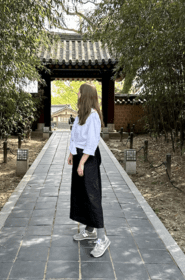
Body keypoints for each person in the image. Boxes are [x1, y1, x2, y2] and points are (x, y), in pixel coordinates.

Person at [67, 83, 110, 258]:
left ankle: (102, 238)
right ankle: (90, 229)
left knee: (92, 196)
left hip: (89, 158)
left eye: (79, 91)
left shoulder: (93, 116)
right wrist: (71, 153)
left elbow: (92, 142)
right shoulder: (80, 115)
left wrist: (82, 162)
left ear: (85, 95)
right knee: (81, 194)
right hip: (79, 156)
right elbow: (74, 136)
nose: (77, 93)